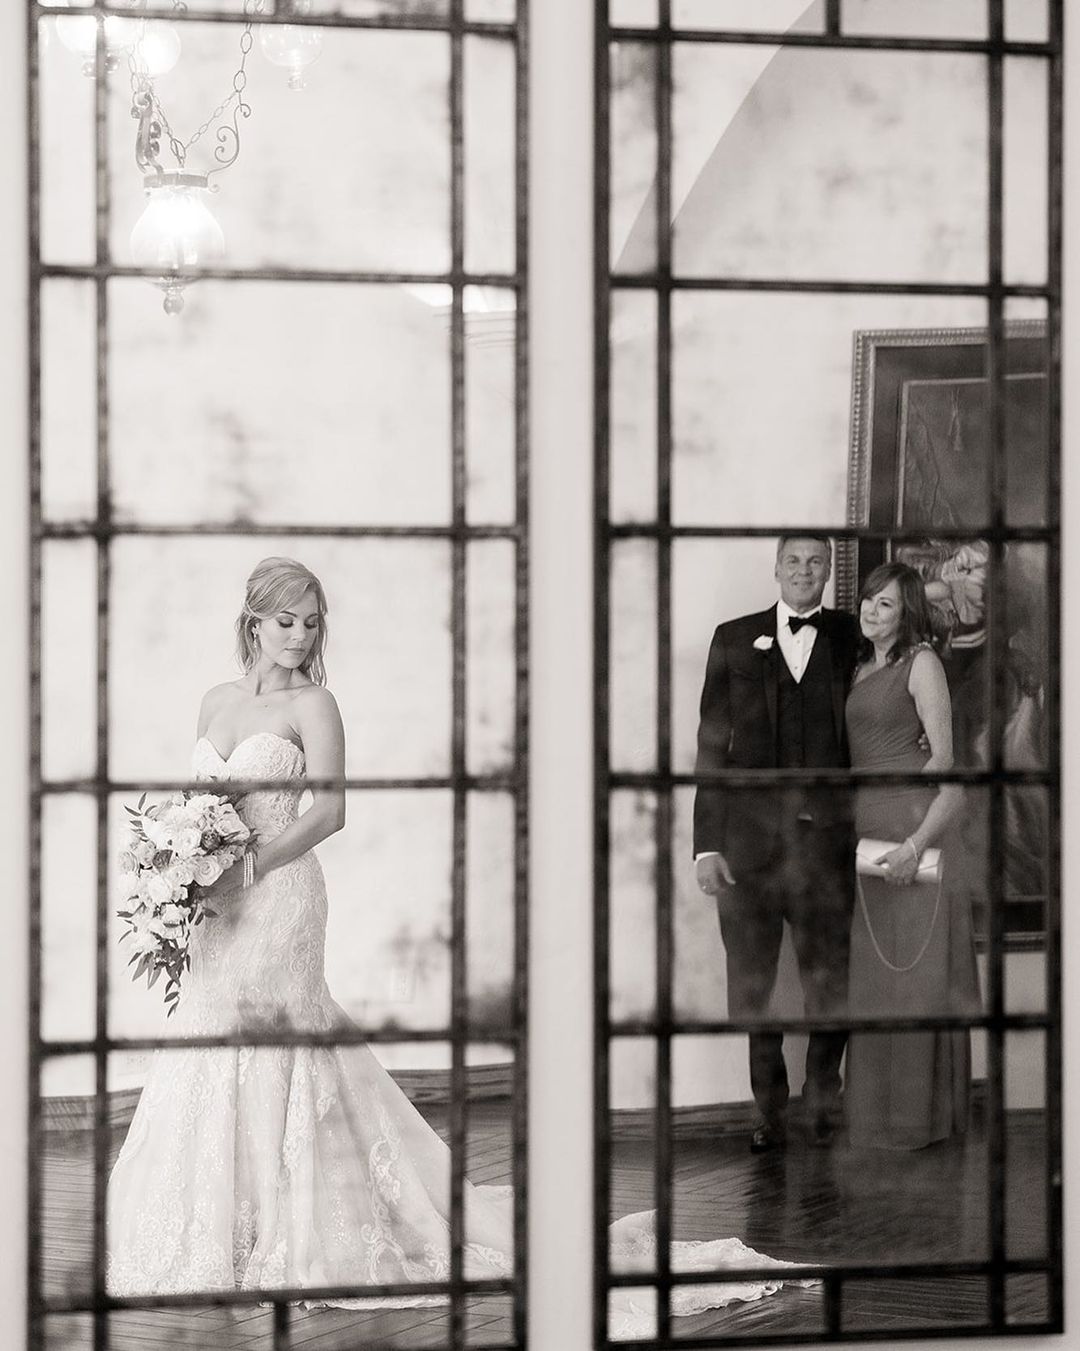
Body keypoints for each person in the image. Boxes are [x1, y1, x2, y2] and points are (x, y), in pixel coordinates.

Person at [106, 556, 811, 1327]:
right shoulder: (214, 699)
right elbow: (196, 804)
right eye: (285, 621)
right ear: (252, 619)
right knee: (209, 1036)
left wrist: (248, 865)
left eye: (311, 622)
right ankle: (214, 1228)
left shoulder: (318, 702)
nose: (300, 636)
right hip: (215, 904)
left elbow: (331, 811)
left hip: (278, 895)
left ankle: (286, 1228)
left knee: (279, 1044)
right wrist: (178, 865)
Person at [693, 536, 860, 1153]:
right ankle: (770, 1111)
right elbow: (711, 745)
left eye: (816, 562)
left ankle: (822, 1105)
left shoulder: (850, 636)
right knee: (752, 987)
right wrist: (706, 845)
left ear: (828, 573)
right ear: (776, 570)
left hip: (827, 846)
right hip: (746, 850)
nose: (804, 571)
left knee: (830, 983)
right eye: (793, 561)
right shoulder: (733, 637)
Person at [844, 562, 980, 1150]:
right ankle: (876, 1119)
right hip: (867, 835)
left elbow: (947, 766)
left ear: (909, 615)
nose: (873, 613)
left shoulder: (921, 663)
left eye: (887, 606)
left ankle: (919, 1123)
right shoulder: (858, 668)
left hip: (909, 833)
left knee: (916, 981)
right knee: (877, 982)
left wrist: (914, 844)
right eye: (869, 602)